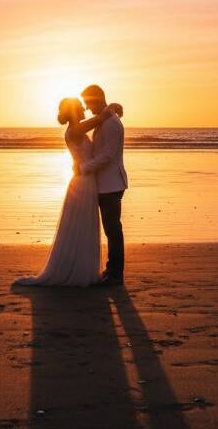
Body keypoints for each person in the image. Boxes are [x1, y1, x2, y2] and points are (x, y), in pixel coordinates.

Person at [12, 97, 120, 286]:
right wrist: (112, 107)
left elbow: (99, 120)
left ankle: (82, 267)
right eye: (80, 107)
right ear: (74, 111)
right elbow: (100, 118)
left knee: (82, 226)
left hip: (85, 181)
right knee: (81, 225)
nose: (84, 109)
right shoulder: (75, 129)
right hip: (83, 183)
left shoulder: (75, 128)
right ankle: (78, 270)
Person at [78, 84, 128, 286]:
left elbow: (108, 156)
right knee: (110, 228)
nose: (87, 108)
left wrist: (84, 168)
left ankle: (115, 274)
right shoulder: (104, 119)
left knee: (113, 229)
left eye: (88, 103)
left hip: (112, 184)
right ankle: (111, 269)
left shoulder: (111, 123)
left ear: (97, 99)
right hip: (104, 184)